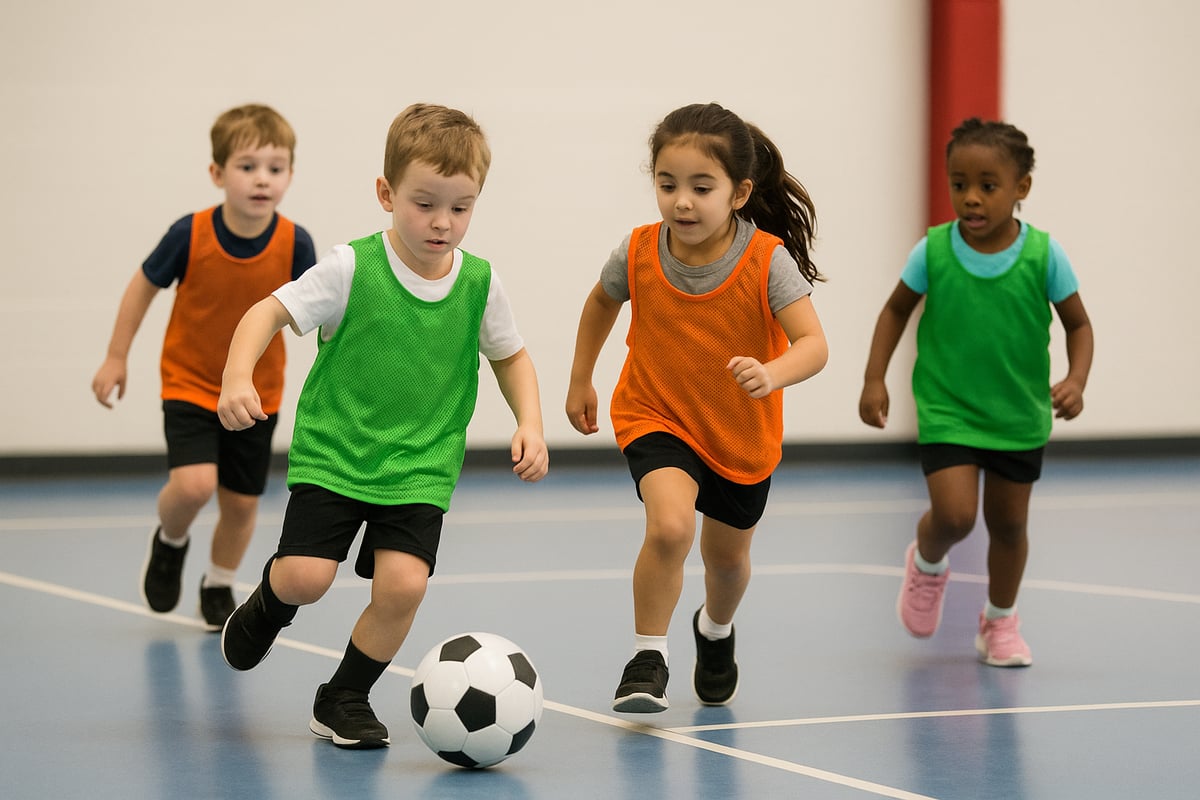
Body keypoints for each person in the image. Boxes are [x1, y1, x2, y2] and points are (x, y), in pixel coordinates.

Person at [216, 103, 549, 749]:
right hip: (337, 453)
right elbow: (266, 312)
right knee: (306, 578)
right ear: (387, 193)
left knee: (404, 586)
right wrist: (237, 376)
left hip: (421, 465)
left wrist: (530, 422)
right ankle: (268, 602)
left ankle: (344, 696)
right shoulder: (351, 268)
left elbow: (511, 355)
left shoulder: (480, 282)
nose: (443, 222)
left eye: (461, 207)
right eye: (425, 203)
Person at [565, 103, 829, 713]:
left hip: (740, 434)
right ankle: (646, 658)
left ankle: (714, 631)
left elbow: (814, 345)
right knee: (670, 526)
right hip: (656, 414)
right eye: (667, 184)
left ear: (738, 193)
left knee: (727, 563)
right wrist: (582, 378)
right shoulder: (636, 250)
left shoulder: (767, 262)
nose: (681, 201)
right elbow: (600, 305)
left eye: (700, 188)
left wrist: (772, 372)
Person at [858, 117, 1094, 667]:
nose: (971, 197)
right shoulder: (934, 249)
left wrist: (1076, 379)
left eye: (988, 186)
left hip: (1018, 412)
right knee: (956, 515)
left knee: (1009, 526)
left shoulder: (1044, 255)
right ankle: (929, 562)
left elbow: (1079, 325)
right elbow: (895, 310)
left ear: (1021, 189)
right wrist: (874, 378)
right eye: (959, 183)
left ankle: (1000, 623)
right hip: (948, 406)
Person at [91, 104, 316, 630]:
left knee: (240, 505)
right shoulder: (189, 234)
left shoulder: (295, 243)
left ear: (289, 176)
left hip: (258, 394)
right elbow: (142, 287)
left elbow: (322, 312)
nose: (262, 179)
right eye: (247, 166)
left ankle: (218, 581)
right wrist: (116, 356)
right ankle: (170, 541)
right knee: (193, 486)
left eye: (275, 168)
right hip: (190, 383)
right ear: (217, 174)